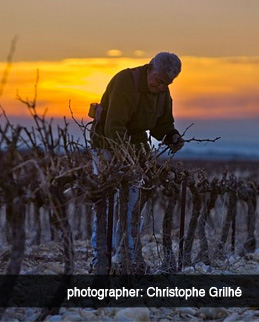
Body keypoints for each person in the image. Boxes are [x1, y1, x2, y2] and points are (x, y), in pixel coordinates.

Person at [90, 52, 184, 272]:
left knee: (132, 205)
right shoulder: (125, 81)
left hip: (136, 148)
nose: (161, 87)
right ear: (149, 68)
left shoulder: (162, 92)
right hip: (106, 145)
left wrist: (172, 136)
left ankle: (126, 259)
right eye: (159, 81)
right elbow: (114, 126)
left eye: (167, 83)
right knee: (104, 204)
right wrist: (127, 159)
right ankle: (100, 262)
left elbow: (162, 125)